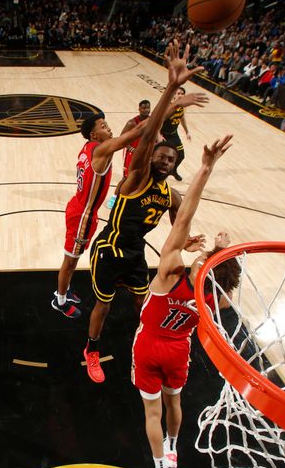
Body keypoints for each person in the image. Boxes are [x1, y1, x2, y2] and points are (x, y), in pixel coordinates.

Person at [84, 40, 208, 383]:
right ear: (150, 156)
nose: (166, 160)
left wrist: (184, 242)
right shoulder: (136, 177)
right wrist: (171, 89)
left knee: (148, 305)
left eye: (171, 159)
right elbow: (151, 131)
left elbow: (180, 218)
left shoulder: (169, 195)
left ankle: (145, 347)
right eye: (161, 156)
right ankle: (91, 349)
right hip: (109, 250)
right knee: (104, 307)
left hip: (136, 254)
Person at [131, 137, 236, 468]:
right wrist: (224, 251)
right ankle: (174, 446)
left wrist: (205, 169)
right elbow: (226, 278)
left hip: (149, 345)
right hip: (179, 348)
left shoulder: (170, 271)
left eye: (205, 258)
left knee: (151, 413)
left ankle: (161, 467)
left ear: (200, 267)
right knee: (173, 401)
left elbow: (185, 213)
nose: (202, 254)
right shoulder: (213, 296)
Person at [52, 109, 151, 318]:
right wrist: (165, 110)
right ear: (94, 135)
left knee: (74, 259)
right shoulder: (101, 151)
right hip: (83, 216)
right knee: (70, 262)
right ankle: (59, 300)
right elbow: (135, 133)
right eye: (103, 126)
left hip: (80, 208)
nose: (109, 128)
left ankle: (65, 289)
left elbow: (121, 139)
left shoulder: (89, 147)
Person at [105, 100, 151, 209]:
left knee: (143, 177)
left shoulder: (152, 121)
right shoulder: (132, 123)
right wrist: (131, 148)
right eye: (144, 108)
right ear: (139, 109)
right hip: (131, 152)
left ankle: (135, 198)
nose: (146, 110)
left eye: (148, 108)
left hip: (145, 153)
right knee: (127, 177)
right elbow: (122, 138)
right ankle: (114, 197)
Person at [160, 82, 202, 181]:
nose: (180, 95)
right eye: (178, 93)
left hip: (173, 134)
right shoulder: (168, 107)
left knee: (181, 155)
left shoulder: (182, 107)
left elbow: (182, 118)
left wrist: (187, 131)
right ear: (174, 95)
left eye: (182, 93)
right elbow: (160, 121)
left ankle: (173, 170)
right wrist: (158, 135)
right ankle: (160, 173)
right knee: (163, 156)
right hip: (163, 134)